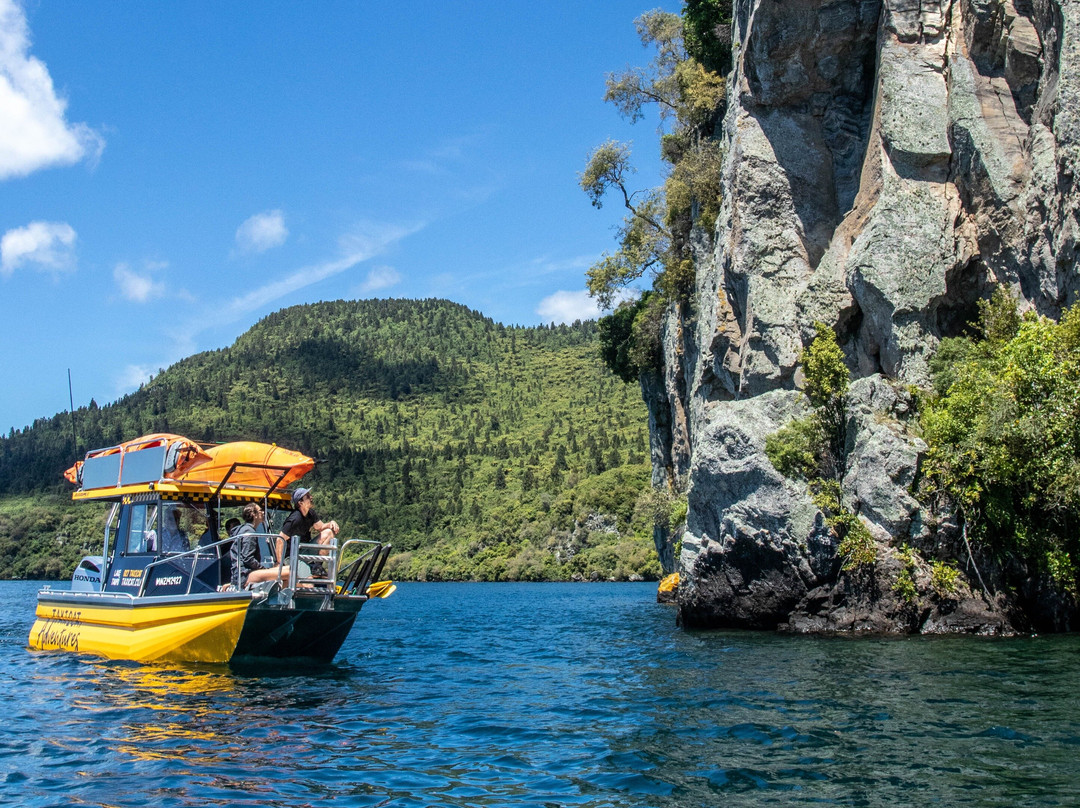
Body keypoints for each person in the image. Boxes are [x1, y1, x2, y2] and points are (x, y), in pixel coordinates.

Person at [277, 488, 339, 576]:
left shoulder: (310, 514)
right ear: (300, 502)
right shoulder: (295, 519)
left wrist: (330, 523)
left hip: (304, 550)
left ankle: (317, 566)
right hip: (292, 556)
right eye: (308, 496)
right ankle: (309, 574)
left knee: (329, 533)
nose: (311, 497)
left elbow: (320, 527)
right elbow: (280, 540)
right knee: (308, 582)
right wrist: (280, 564)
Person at [232, 502, 288, 588]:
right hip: (245, 575)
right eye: (260, 510)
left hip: (242, 574)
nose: (263, 512)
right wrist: (262, 568)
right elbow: (247, 558)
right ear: (253, 514)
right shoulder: (249, 532)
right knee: (289, 571)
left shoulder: (245, 530)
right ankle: (283, 599)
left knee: (283, 570)